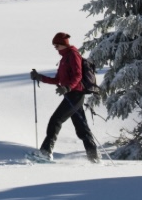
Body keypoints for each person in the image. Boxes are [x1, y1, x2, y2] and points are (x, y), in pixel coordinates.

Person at [28, 32, 99, 163]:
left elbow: (78, 75)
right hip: (71, 94)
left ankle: (46, 152)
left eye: (56, 45)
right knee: (82, 128)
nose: (55, 47)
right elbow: (58, 79)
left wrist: (68, 87)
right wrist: (40, 77)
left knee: (56, 120)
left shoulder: (73, 55)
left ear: (63, 44)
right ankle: (94, 158)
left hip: (76, 94)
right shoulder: (64, 58)